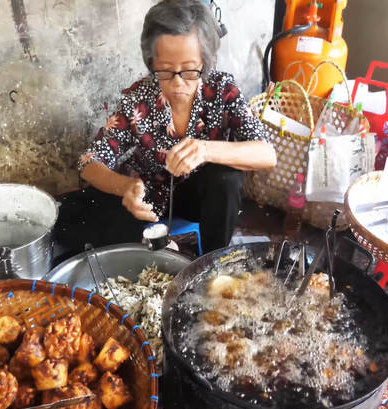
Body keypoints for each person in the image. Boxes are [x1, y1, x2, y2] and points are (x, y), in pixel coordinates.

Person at [53, 0, 276, 262]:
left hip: (200, 199)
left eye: (191, 70)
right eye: (166, 71)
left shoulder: (222, 90)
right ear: (152, 62)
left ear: (205, 59)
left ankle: (212, 263)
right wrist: (126, 187)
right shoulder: (139, 98)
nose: (179, 83)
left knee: (226, 178)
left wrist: (205, 149)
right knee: (84, 235)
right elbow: (89, 161)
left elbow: (267, 155)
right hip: (147, 199)